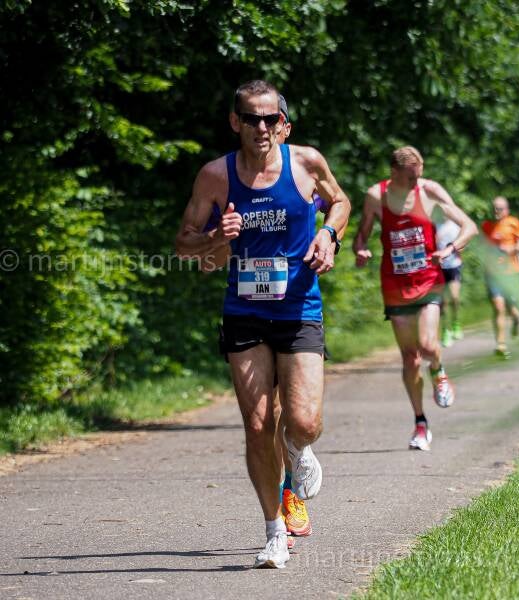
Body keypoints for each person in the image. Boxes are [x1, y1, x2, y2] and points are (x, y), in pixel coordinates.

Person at [175, 80, 351, 569]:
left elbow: (340, 202)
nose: (261, 127)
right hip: (245, 311)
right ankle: (274, 531)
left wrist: (329, 236)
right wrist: (215, 235)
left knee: (304, 422)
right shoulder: (215, 176)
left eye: (270, 118)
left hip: (299, 309)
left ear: (282, 123)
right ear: (236, 122)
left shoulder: (306, 163)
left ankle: (297, 449)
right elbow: (183, 244)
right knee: (257, 424)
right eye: (251, 118)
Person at [353, 146, 477, 451]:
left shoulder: (429, 191)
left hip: (428, 280)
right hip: (395, 285)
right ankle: (420, 423)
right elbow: (362, 234)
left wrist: (450, 249)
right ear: (394, 173)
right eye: (410, 177)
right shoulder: (376, 196)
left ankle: (439, 369)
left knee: (428, 345)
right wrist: (360, 250)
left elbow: (469, 226)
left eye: (418, 175)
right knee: (410, 358)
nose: (415, 182)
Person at [481, 196, 519, 358]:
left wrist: (513, 248)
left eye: (500, 208)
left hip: (511, 273)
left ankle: (517, 319)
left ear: (507, 210)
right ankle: (500, 345)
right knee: (498, 307)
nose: (497, 211)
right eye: (494, 208)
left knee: (511, 308)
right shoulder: (486, 226)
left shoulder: (513, 223)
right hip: (493, 273)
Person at [436, 218, 464, 347]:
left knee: (455, 297)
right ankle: (445, 330)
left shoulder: (455, 226)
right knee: (443, 302)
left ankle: (456, 323)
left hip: (453, 265)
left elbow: (463, 243)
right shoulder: (434, 225)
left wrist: (459, 248)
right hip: (439, 267)